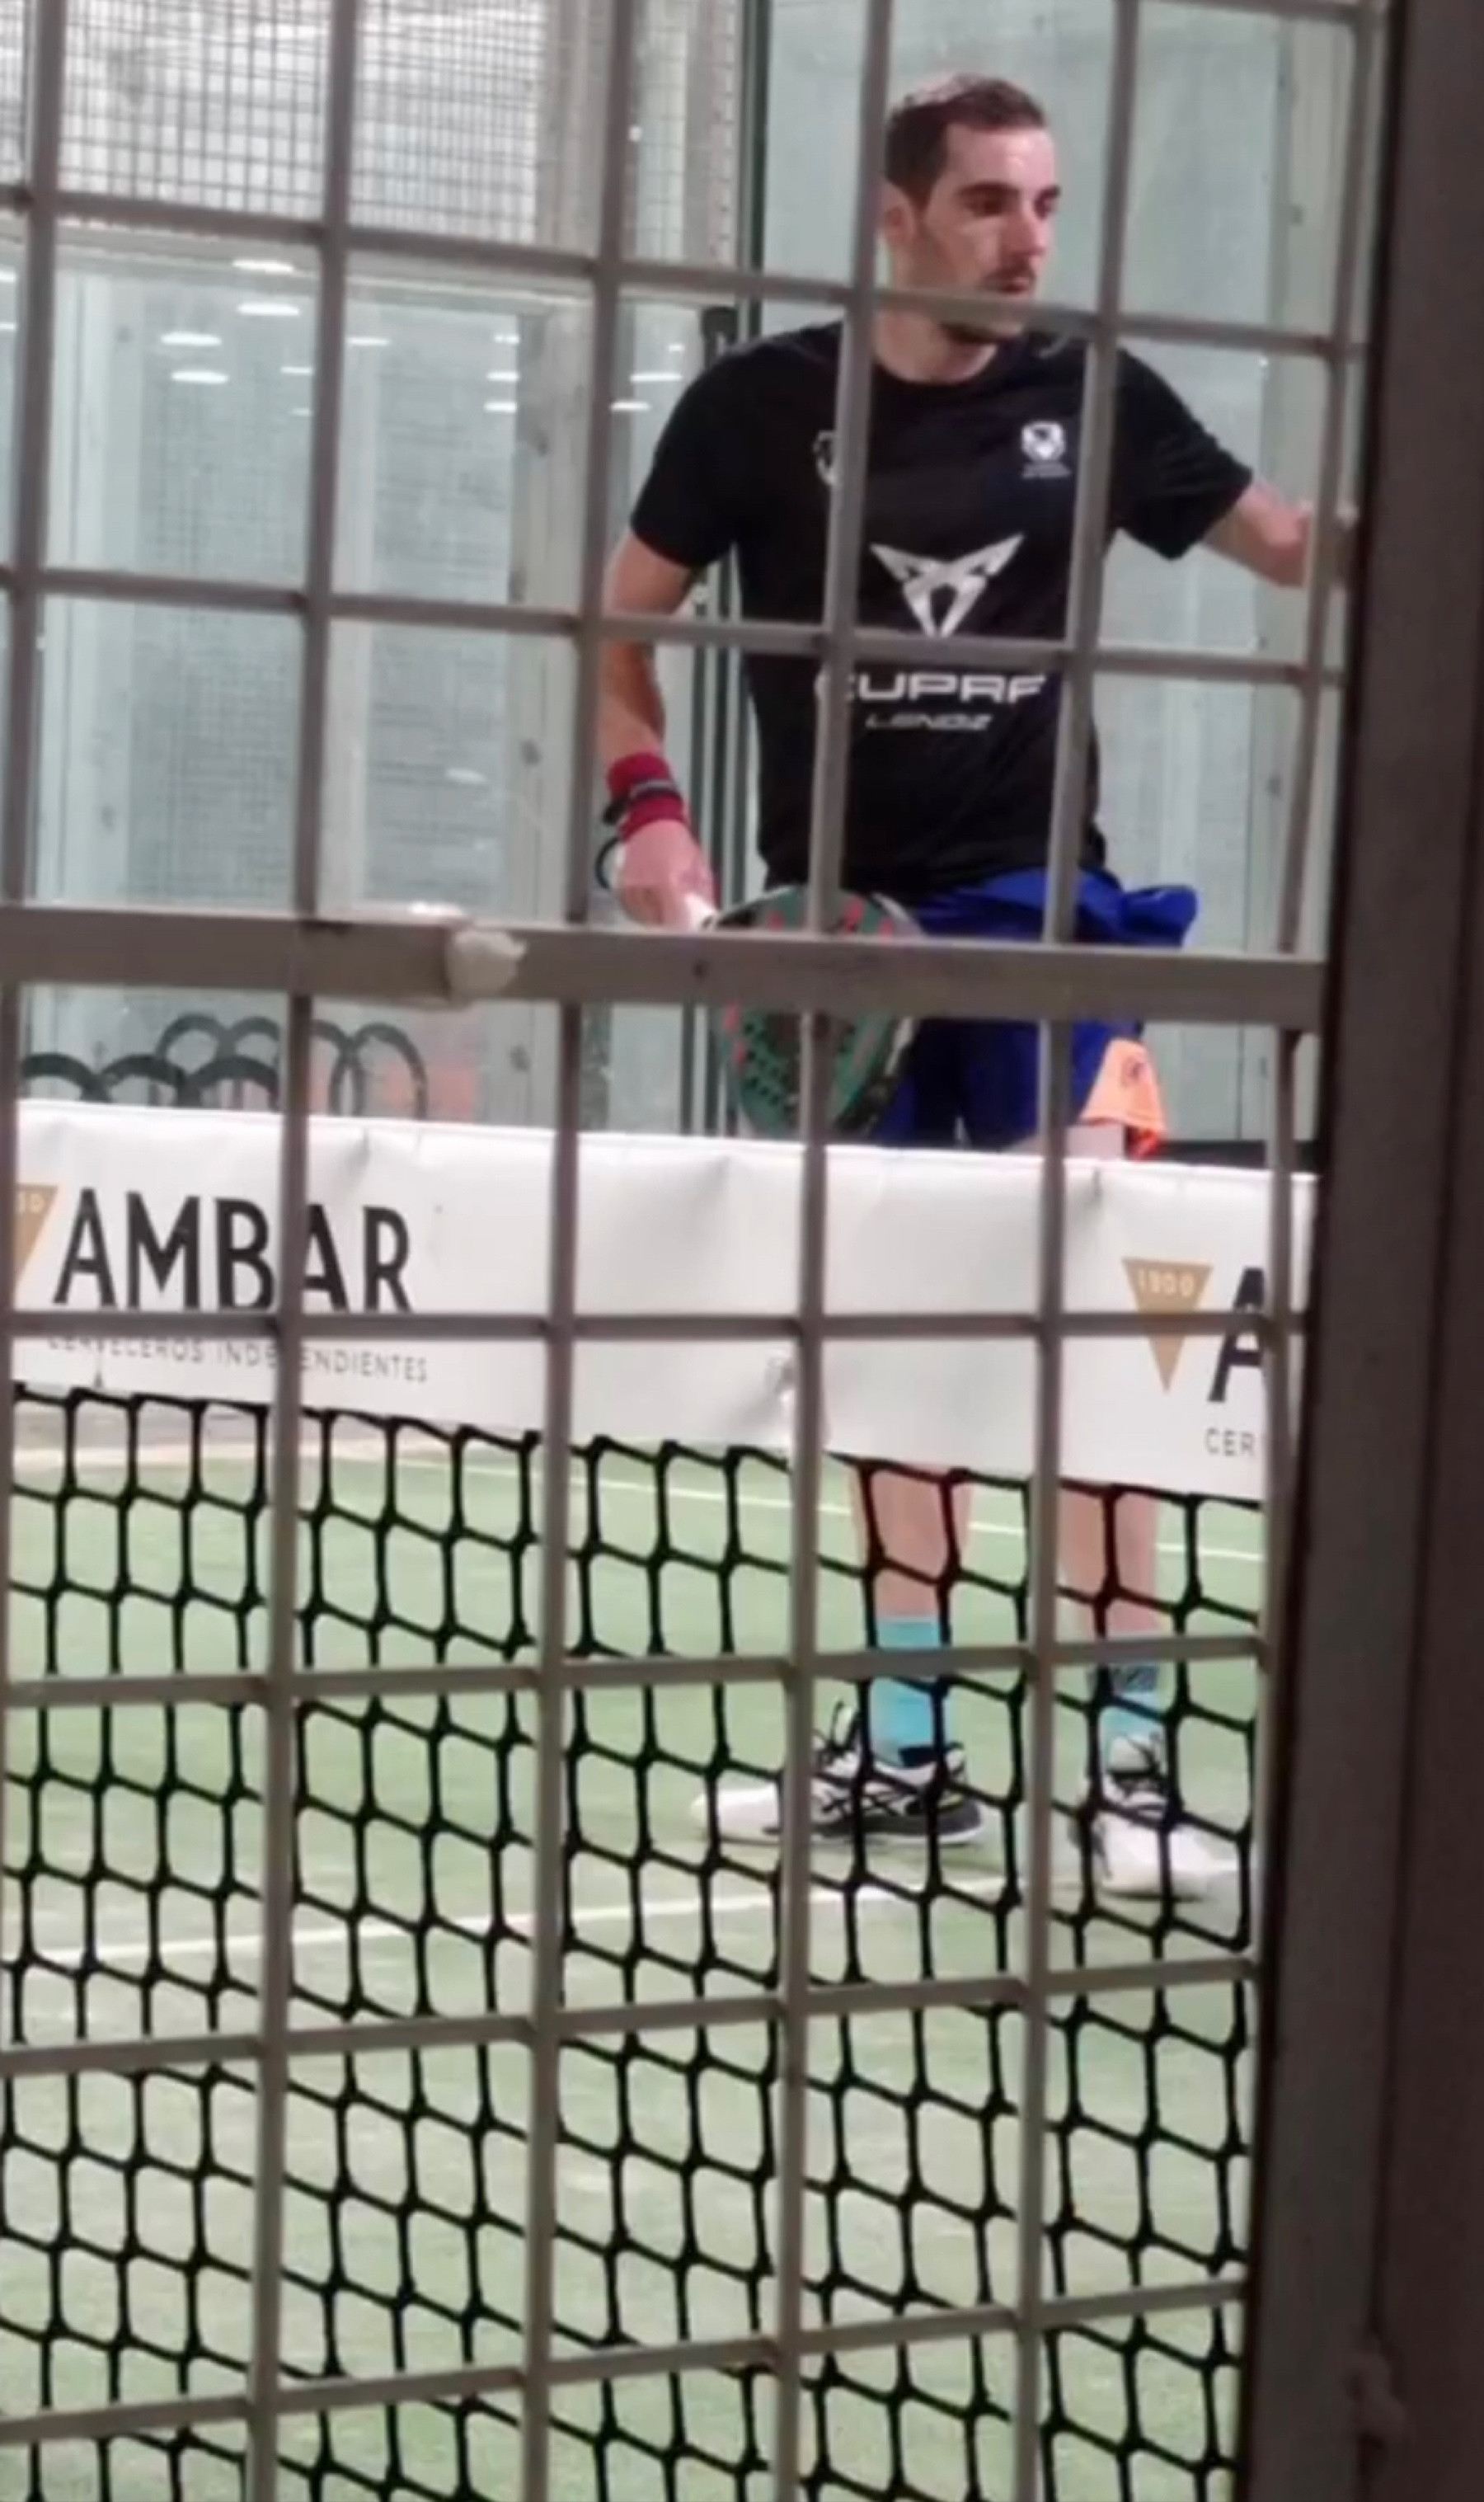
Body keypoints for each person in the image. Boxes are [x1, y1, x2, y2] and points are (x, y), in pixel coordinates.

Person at [596, 71, 1351, 1898]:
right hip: (844, 945)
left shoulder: (1097, 395)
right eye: (993, 204)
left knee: (1086, 1332)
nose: (1030, 240)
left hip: (1042, 924)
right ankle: (909, 1746)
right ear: (898, 216)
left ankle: (1132, 1765)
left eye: (1048, 204)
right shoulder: (756, 408)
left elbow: (1290, 545)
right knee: (883, 1347)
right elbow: (622, 623)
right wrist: (650, 813)